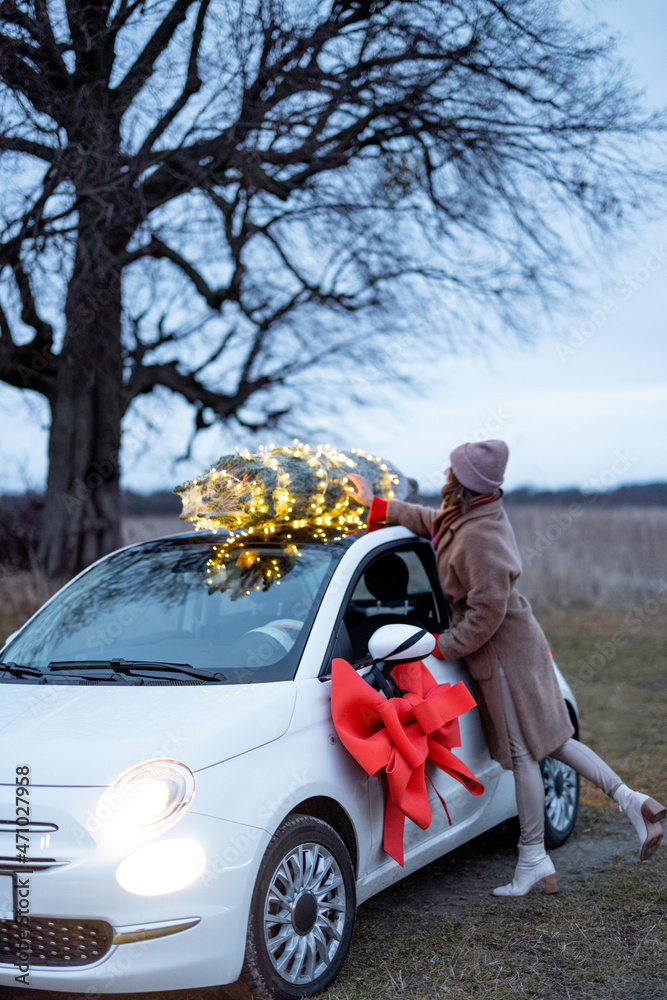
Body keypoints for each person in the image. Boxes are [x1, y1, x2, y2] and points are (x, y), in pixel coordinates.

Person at [344, 439, 665, 896]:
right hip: (514, 641)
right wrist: (376, 505)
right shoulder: (470, 515)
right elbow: (432, 524)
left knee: (524, 754)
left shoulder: (481, 537)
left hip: (503, 652)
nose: (445, 473)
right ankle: (633, 801)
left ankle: (533, 857)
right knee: (553, 739)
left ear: (467, 485)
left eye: (452, 471)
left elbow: (485, 615)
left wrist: (439, 644)